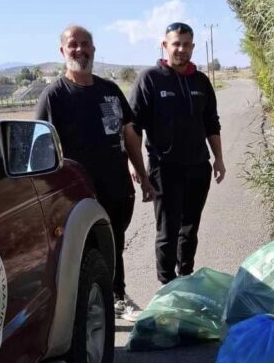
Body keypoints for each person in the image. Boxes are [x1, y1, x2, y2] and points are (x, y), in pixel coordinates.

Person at [36, 25, 153, 320]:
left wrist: (143, 176)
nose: (80, 50)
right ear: (62, 51)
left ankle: (116, 296)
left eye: (85, 44)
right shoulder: (54, 96)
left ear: (94, 49)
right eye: (73, 44)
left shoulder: (109, 91)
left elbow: (129, 136)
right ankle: (81, 307)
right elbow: (39, 147)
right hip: (75, 192)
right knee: (80, 250)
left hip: (116, 186)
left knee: (114, 242)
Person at [128, 22, 225, 285]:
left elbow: (211, 123)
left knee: (190, 229)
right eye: (176, 44)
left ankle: (186, 278)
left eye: (186, 44)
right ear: (165, 45)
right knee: (167, 231)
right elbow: (132, 127)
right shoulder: (150, 79)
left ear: (193, 46)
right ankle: (167, 286)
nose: (181, 49)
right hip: (164, 168)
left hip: (198, 167)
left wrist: (219, 159)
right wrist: (134, 165)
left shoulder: (201, 81)